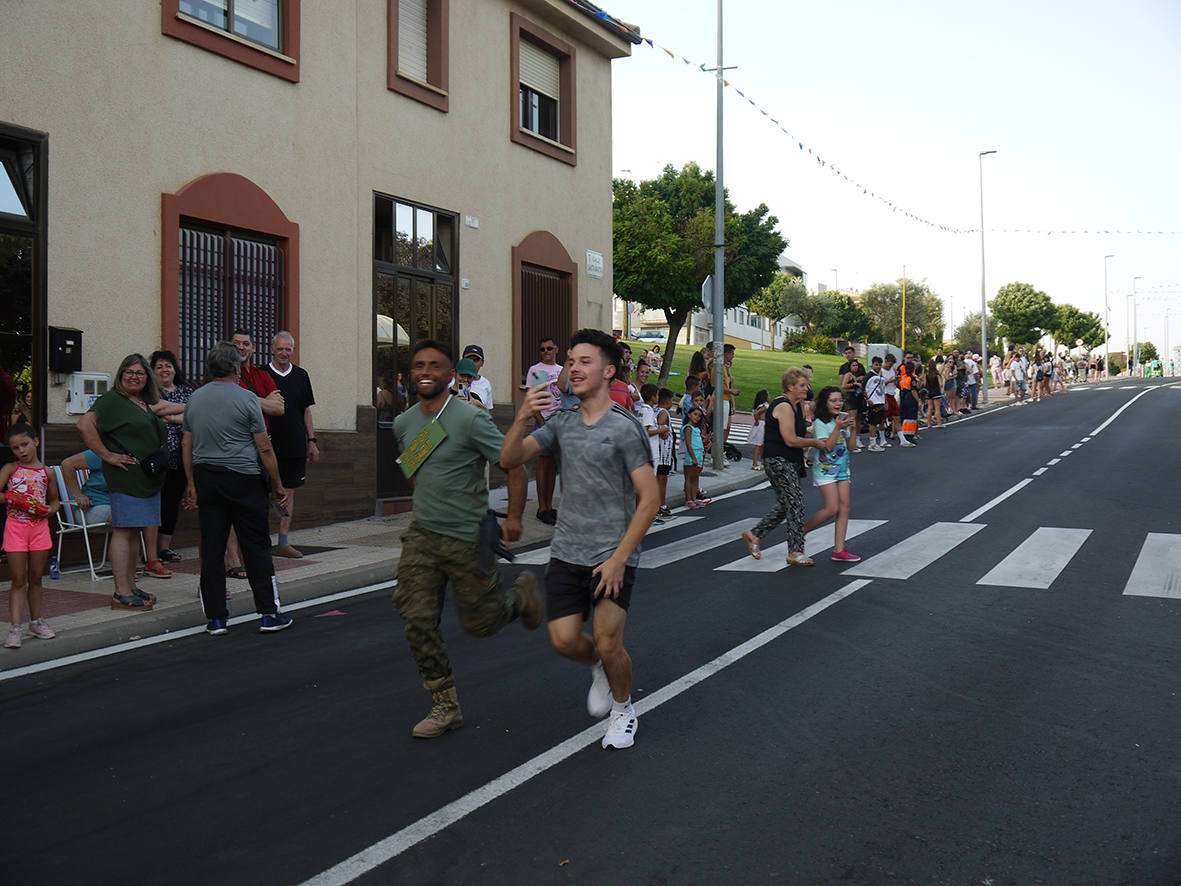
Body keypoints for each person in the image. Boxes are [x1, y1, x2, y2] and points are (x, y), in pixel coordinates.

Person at [501, 328, 660, 751]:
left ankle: (623, 709)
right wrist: (522, 416)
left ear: (608, 371)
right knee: (565, 640)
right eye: (571, 361)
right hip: (567, 551)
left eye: (584, 361)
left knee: (609, 640)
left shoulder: (625, 429)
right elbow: (509, 459)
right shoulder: (562, 424)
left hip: (613, 554)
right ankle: (599, 667)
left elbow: (650, 499)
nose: (573, 367)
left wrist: (619, 559)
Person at [391, 340, 541, 738]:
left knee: (482, 624)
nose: (426, 371)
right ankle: (446, 705)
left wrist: (514, 517)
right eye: (419, 365)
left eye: (434, 365)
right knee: (416, 618)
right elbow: (412, 471)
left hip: (468, 537)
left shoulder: (470, 419)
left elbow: (513, 465)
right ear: (411, 373)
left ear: (451, 374)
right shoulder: (404, 423)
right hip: (423, 536)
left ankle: (521, 597)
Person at [182, 342, 294, 636]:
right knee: (255, 545)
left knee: (212, 546)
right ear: (236, 368)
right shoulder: (247, 398)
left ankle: (216, 619)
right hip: (243, 477)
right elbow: (264, 447)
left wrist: (191, 483)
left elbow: (187, 443)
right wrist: (277, 484)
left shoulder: (195, 399)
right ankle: (269, 612)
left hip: (206, 476)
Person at [76, 354, 170, 610]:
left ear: (147, 377)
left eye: (140, 373)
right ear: (120, 375)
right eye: (129, 371)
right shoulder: (112, 400)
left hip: (146, 479)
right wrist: (106, 455)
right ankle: (121, 592)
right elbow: (84, 425)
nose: (134, 377)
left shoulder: (141, 402)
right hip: (126, 478)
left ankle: (131, 586)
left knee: (134, 531)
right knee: (124, 531)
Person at [740, 367, 829, 567]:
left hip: (789, 460)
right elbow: (790, 439)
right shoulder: (783, 406)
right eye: (802, 385)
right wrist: (815, 443)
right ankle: (795, 551)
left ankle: (754, 534)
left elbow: (799, 433)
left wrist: (823, 434)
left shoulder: (797, 405)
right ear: (790, 387)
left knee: (786, 503)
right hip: (778, 460)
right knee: (795, 502)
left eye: (807, 385)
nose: (806, 389)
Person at [2, 423, 60, 648]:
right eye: (15, 448)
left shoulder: (48, 472)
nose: (21, 451)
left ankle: (35, 622)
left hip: (39, 529)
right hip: (15, 528)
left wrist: (48, 510)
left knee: (36, 577)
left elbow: (54, 502)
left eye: (25, 444)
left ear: (35, 441)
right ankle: (15, 627)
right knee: (18, 579)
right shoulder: (10, 469)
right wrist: (14, 499)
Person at [266, 331, 319, 559]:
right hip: (267, 445)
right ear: (272, 349)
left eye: (288, 349)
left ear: (293, 351)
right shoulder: (262, 374)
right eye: (280, 348)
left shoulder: (301, 375)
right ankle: (259, 541)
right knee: (265, 492)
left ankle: (283, 542)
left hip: (295, 444)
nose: (284, 353)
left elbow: (306, 411)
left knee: (289, 491)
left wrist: (312, 441)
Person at [804, 387, 860, 562]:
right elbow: (827, 447)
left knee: (844, 508)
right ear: (825, 403)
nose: (838, 404)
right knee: (832, 508)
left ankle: (839, 550)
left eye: (840, 400)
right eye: (833, 400)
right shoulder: (821, 423)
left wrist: (853, 429)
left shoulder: (842, 419)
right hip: (825, 470)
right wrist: (838, 428)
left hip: (842, 470)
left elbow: (851, 447)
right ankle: (800, 531)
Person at [149, 349, 194, 563]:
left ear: (175, 369)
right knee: (155, 501)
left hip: (183, 454)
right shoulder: (149, 392)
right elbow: (154, 411)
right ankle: (149, 550)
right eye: (159, 366)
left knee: (172, 501)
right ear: (153, 371)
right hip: (156, 455)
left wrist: (172, 417)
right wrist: (182, 412)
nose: (164, 370)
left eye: (168, 366)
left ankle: (164, 548)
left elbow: (195, 413)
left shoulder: (187, 391)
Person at [524, 337, 562, 525]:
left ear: (556, 349)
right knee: (544, 463)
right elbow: (534, 398)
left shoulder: (561, 370)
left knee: (553, 465)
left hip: (560, 422)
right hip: (544, 422)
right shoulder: (536, 370)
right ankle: (542, 507)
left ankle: (549, 505)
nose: (546, 352)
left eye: (549, 348)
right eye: (542, 349)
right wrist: (541, 421)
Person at [653, 387, 675, 519]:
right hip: (663, 453)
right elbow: (660, 423)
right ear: (667, 401)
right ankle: (661, 504)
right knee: (662, 479)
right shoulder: (663, 412)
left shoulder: (654, 410)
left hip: (659, 451)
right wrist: (663, 431)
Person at [839, 351, 866, 452]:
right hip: (850, 398)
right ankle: (849, 442)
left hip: (858, 397)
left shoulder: (856, 375)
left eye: (856, 365)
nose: (855, 367)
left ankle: (855, 440)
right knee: (852, 419)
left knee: (858, 418)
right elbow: (844, 386)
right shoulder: (848, 375)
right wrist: (854, 384)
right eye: (853, 365)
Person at [682, 404, 707, 509]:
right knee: (690, 478)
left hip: (698, 454)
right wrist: (693, 457)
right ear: (689, 415)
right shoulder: (688, 428)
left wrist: (706, 439)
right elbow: (688, 444)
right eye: (695, 414)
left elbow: (698, 441)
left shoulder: (696, 429)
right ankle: (688, 499)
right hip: (692, 455)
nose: (697, 417)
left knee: (695, 478)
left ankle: (694, 498)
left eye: (699, 416)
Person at [896, 353, 921, 446]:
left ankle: (903, 435)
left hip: (903, 397)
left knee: (904, 417)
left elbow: (898, 385)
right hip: (910, 398)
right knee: (911, 418)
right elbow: (913, 390)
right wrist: (918, 401)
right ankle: (909, 436)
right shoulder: (912, 378)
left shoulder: (903, 378)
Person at [863, 358, 888, 451]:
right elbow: (863, 388)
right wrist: (868, 399)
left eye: (879, 365)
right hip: (873, 402)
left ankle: (879, 441)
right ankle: (872, 444)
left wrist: (885, 402)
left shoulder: (880, 377)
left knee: (880, 421)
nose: (878, 366)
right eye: (876, 364)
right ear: (872, 365)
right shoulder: (869, 375)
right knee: (873, 422)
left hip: (880, 402)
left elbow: (884, 391)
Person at [460, 344, 493, 409]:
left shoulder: (486, 384)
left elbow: (488, 410)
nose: (471, 363)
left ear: (482, 362)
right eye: (469, 360)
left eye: (475, 360)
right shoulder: (452, 381)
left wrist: (478, 404)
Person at [748, 388, 769, 469]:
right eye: (768, 395)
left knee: (761, 445)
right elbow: (756, 414)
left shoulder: (759, 405)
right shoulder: (765, 406)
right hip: (761, 425)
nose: (769, 397)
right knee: (759, 445)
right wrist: (757, 420)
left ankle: (762, 462)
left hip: (761, 425)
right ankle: (755, 464)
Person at [925, 359, 945, 430]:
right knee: (937, 408)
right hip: (936, 391)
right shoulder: (937, 374)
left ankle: (929, 424)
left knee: (929, 408)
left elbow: (925, 383)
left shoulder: (926, 374)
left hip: (929, 391)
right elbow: (941, 384)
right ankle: (939, 424)